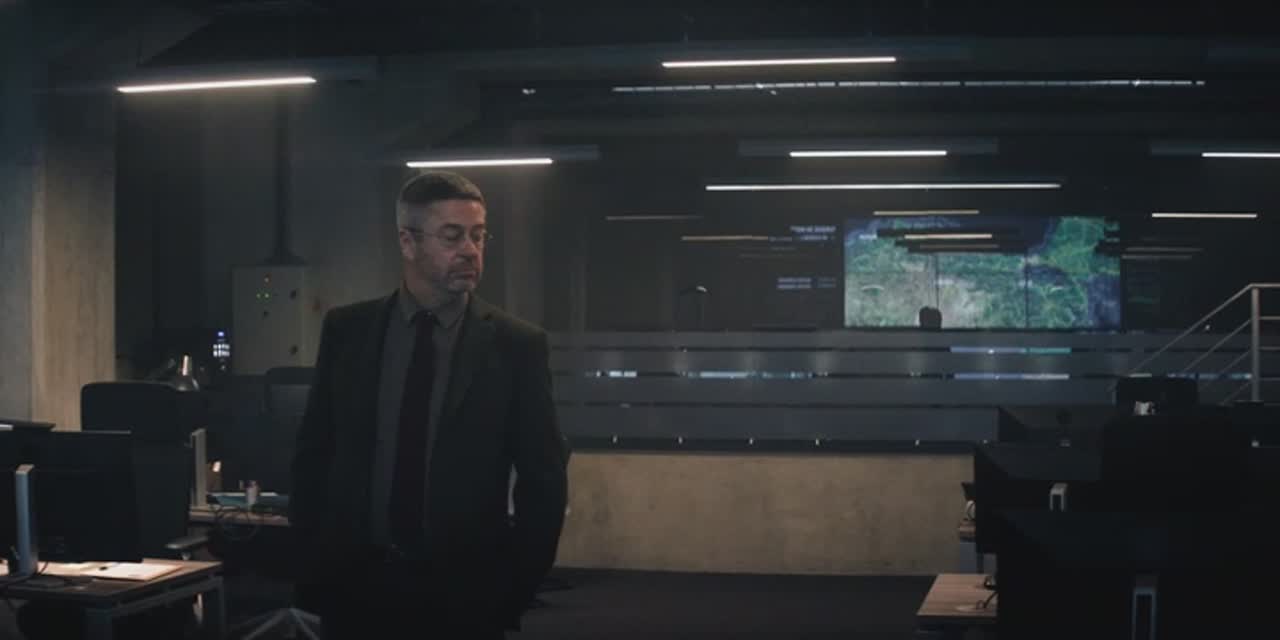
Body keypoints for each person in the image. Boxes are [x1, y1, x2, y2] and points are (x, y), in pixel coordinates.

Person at [290, 171, 568, 638]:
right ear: (408, 242)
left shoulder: (515, 345)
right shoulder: (349, 331)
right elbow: (314, 454)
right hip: (357, 589)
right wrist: (315, 567)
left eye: (478, 236)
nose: (470, 250)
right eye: (452, 236)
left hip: (465, 599)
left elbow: (544, 478)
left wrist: (513, 590)